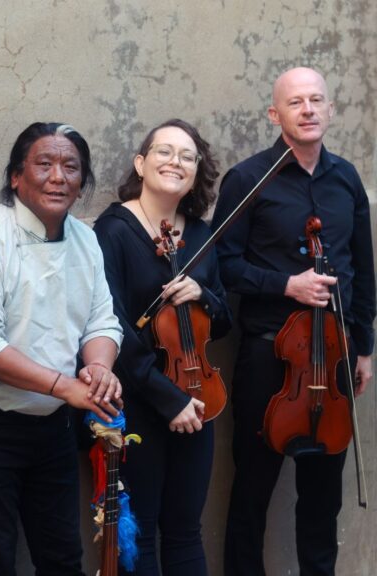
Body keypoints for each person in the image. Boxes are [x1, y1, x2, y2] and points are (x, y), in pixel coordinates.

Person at [212, 67, 375, 576]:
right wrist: (287, 285)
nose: (307, 110)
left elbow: (362, 268)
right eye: (295, 102)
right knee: (253, 489)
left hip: (336, 354)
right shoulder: (248, 180)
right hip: (268, 355)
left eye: (316, 100)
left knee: (324, 498)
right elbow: (223, 266)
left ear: (330, 109)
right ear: (274, 114)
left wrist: (364, 346)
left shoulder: (347, 178)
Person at [0, 122, 123, 576]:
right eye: (44, 164)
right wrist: (65, 386)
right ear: (15, 176)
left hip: (56, 428)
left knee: (62, 558)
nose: (58, 177)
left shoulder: (86, 238)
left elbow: (101, 320)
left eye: (71, 167)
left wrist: (99, 369)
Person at [94, 119, 232, 575]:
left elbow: (223, 322)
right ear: (141, 163)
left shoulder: (201, 235)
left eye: (187, 156)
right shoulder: (113, 230)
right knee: (141, 533)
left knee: (186, 530)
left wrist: (203, 295)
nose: (176, 162)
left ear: (196, 172)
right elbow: (112, 324)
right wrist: (169, 399)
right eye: (164, 152)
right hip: (140, 400)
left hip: (198, 397)